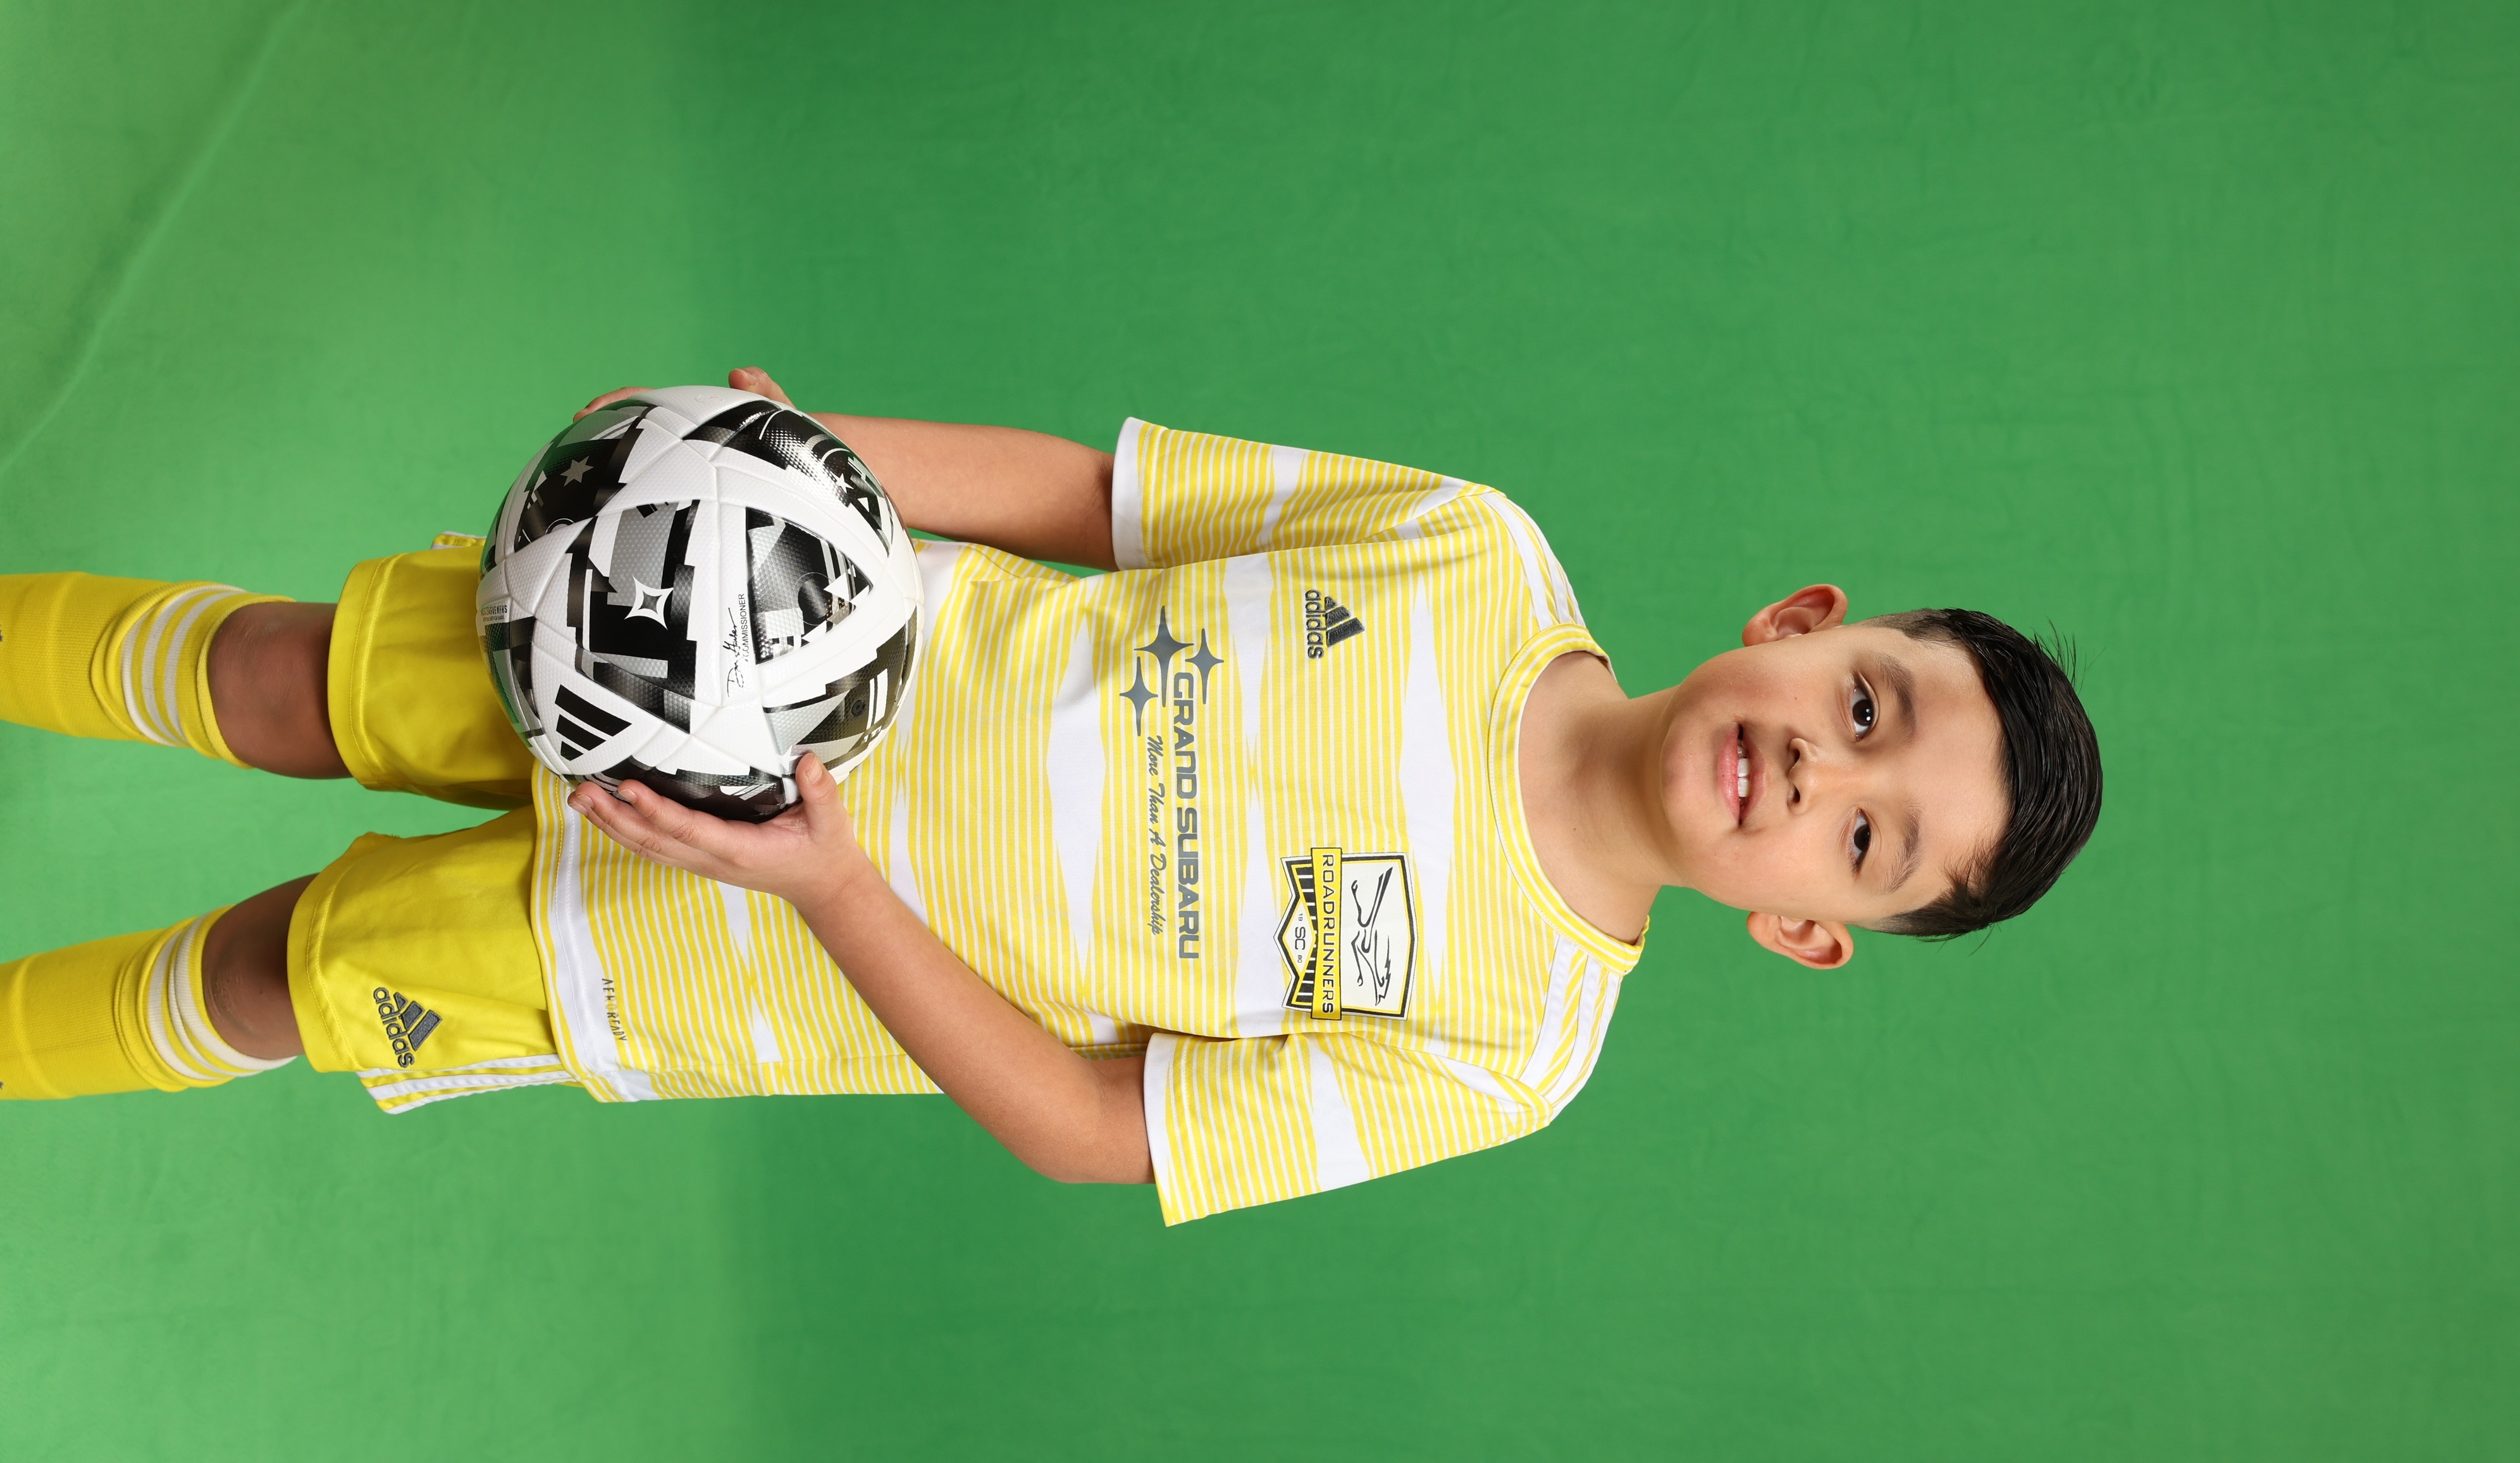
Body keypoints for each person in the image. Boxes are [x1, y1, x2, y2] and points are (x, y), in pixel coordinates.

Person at [0, 368, 2101, 1223]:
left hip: (702, 950)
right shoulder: (1474, 550)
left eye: (1868, 836)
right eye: (1867, 702)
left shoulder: (1516, 1048)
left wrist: (829, 886)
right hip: (708, 618)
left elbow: (1102, 1128)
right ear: (1801, 621)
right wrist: (803, 459)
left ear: (1811, 927)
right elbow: (1102, 503)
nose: (1820, 769)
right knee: (279, 676)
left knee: (275, 974)